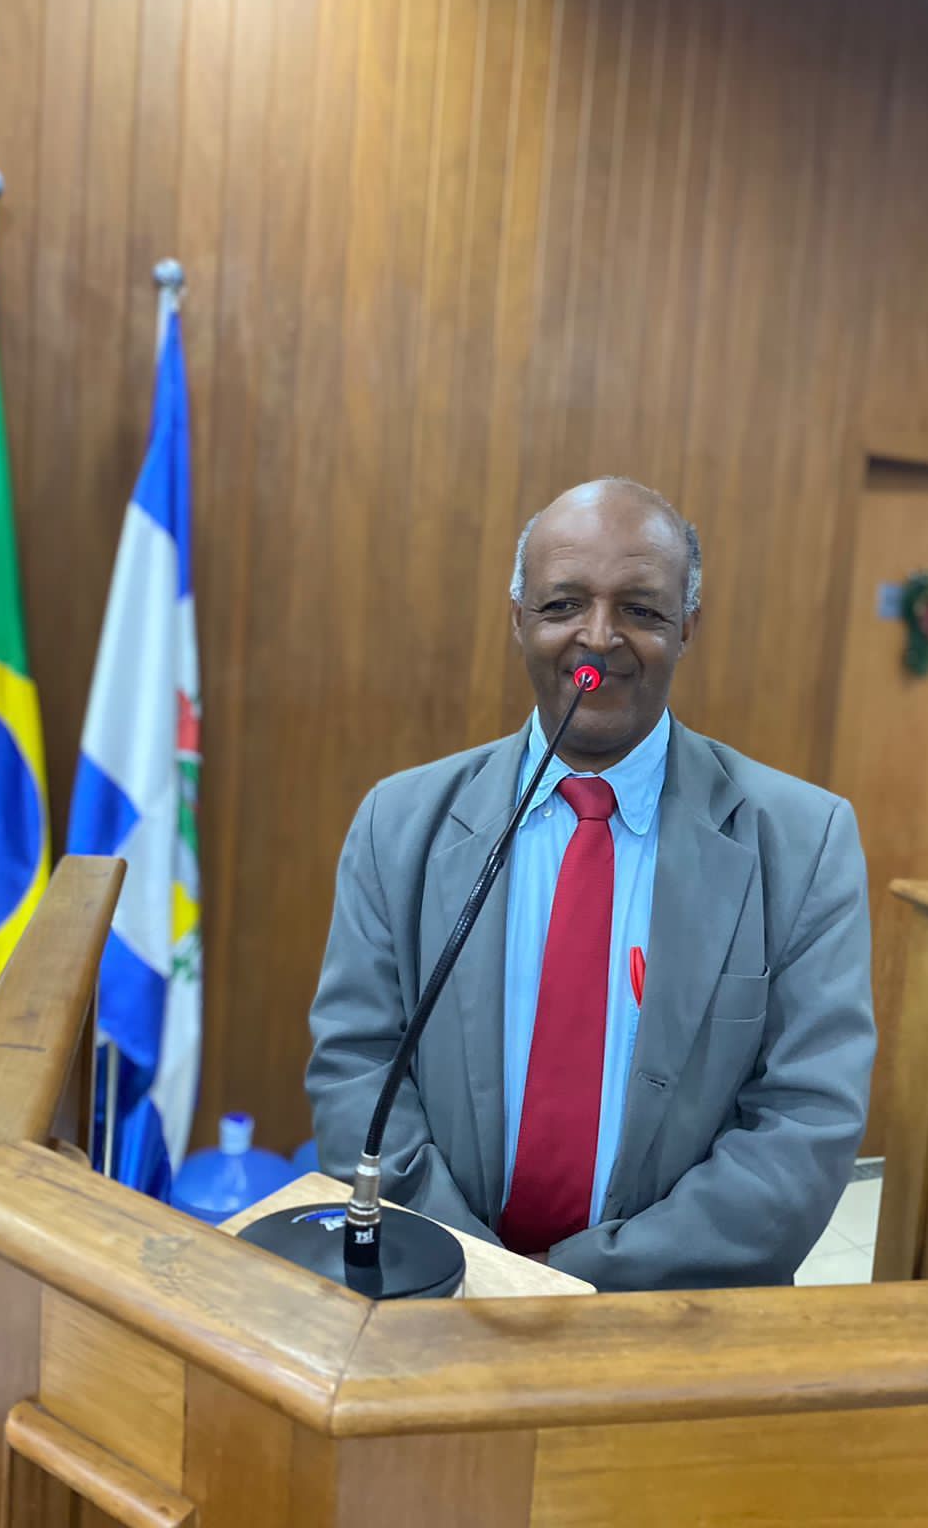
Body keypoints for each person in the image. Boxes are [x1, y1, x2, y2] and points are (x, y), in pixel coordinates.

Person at [306, 478, 875, 1290]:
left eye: (641, 609)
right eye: (563, 605)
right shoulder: (398, 823)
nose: (599, 638)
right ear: (518, 619)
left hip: (670, 1321)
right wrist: (477, 1274)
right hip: (438, 1297)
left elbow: (805, 1123)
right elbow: (357, 1066)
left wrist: (579, 1284)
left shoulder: (804, 842)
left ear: (687, 627)